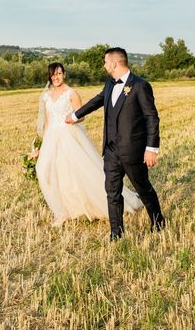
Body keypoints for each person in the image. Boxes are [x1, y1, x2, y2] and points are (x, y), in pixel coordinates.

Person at [65, 47, 166, 241]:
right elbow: (97, 101)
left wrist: (151, 149)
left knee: (143, 188)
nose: (104, 65)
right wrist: (75, 115)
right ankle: (116, 232)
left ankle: (158, 221)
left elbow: (151, 118)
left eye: (105, 62)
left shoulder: (140, 86)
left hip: (133, 151)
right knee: (112, 192)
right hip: (111, 150)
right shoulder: (110, 84)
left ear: (114, 63)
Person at [31, 62, 143, 227]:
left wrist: (70, 117)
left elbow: (81, 115)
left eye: (59, 74)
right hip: (52, 138)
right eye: (53, 75)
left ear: (64, 74)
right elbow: (48, 122)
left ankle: (75, 208)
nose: (56, 77)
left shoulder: (71, 93)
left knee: (70, 172)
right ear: (50, 76)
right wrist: (42, 145)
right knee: (44, 170)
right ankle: (61, 210)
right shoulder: (47, 96)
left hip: (68, 135)